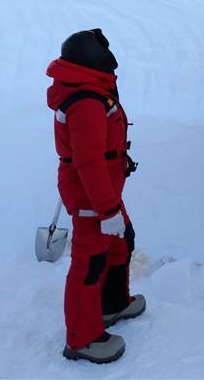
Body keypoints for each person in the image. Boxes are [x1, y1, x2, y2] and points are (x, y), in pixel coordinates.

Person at [46, 29, 143, 364]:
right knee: (90, 262)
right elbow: (88, 161)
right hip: (92, 196)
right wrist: (107, 211)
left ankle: (112, 304)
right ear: (91, 58)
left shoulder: (93, 90)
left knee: (121, 243)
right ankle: (81, 337)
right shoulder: (86, 101)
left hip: (105, 190)